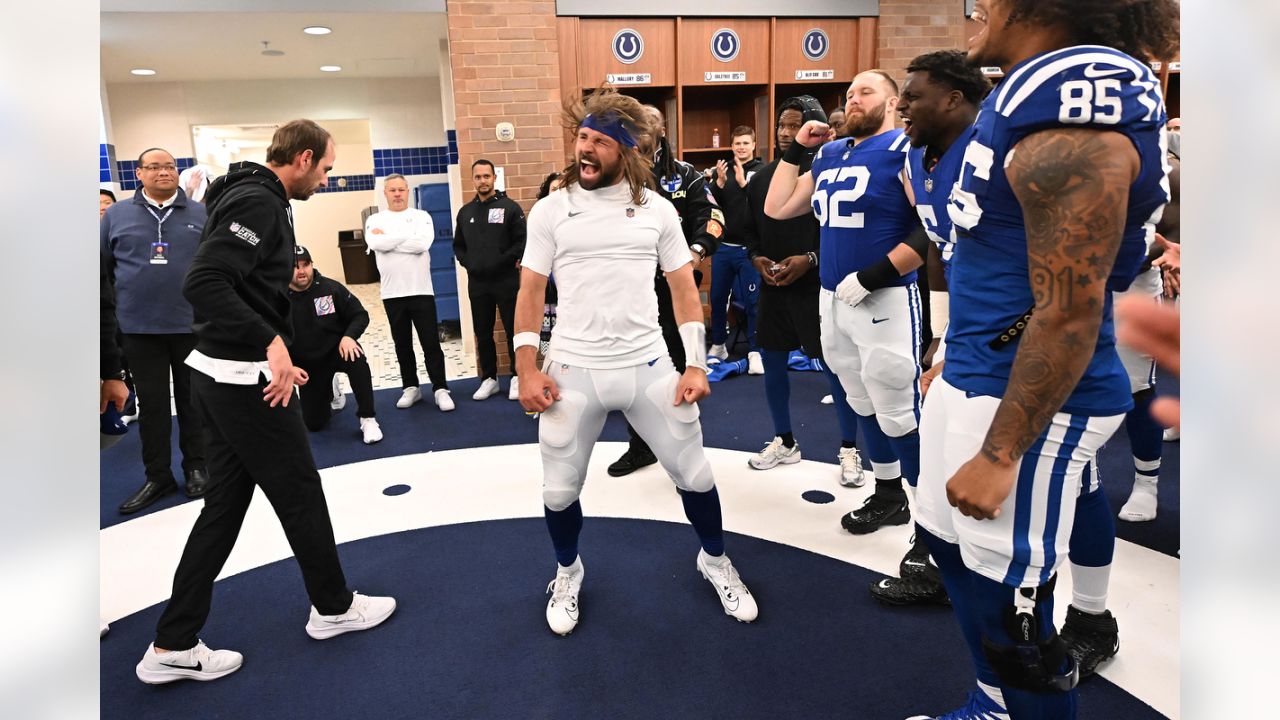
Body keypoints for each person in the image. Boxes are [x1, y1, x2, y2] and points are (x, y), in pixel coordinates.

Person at [904, 1, 1178, 718]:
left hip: (1027, 395)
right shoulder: (1029, 96)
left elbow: (1070, 308)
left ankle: (1012, 696)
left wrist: (1001, 452)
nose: (975, 9)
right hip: (977, 369)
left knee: (1012, 618)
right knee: (949, 547)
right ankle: (994, 706)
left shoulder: (1075, 113)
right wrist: (950, 351)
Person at [136, 120, 396, 685]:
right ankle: (333, 607)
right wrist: (270, 342)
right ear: (302, 158)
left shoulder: (252, 195)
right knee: (299, 490)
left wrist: (271, 348)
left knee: (225, 506)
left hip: (231, 370)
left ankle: (173, 642)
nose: (327, 180)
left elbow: (244, 285)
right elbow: (205, 282)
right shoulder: (256, 201)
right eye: (326, 169)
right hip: (240, 379)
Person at [515, 89, 757, 636]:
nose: (586, 149)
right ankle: (568, 571)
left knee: (695, 476)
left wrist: (695, 364)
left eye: (601, 141)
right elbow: (530, 292)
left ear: (627, 151)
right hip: (572, 368)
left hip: (647, 362)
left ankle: (715, 561)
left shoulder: (660, 211)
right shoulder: (552, 209)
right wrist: (527, 369)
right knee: (558, 491)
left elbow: (684, 289)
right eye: (582, 137)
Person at [765, 70, 931, 537]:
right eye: (849, 93)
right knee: (861, 401)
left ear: (895, 102)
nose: (853, 99)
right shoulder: (831, 152)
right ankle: (888, 493)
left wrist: (878, 273)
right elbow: (776, 207)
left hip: (886, 296)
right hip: (833, 298)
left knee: (898, 409)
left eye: (866, 92)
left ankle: (931, 529)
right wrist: (797, 149)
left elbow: (933, 226)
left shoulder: (906, 149)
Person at [868, 50, 988, 607]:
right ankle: (938, 565)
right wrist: (942, 339)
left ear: (954, 99)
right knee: (937, 458)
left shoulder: (998, 151)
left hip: (1022, 337)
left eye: (912, 96)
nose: (903, 106)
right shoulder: (920, 158)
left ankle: (1090, 615)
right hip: (968, 334)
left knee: (1061, 492)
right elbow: (941, 253)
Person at [740, 96, 865, 486]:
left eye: (794, 126)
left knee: (835, 370)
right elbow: (751, 237)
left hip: (818, 289)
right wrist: (758, 260)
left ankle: (849, 448)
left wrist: (809, 259)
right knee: (773, 365)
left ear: (817, 129)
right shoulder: (762, 179)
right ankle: (785, 440)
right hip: (774, 287)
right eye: (781, 125)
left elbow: (840, 235)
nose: (784, 133)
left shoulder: (831, 173)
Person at [606, 104, 724, 477]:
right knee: (631, 370)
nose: (641, 130)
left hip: (673, 291)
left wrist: (694, 253)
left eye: (649, 123)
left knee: (677, 367)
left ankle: (683, 449)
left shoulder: (685, 175)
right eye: (635, 124)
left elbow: (715, 218)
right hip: (628, 291)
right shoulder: (615, 175)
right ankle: (640, 446)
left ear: (661, 129)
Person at [101, 147, 210, 513]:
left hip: (190, 325)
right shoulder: (115, 215)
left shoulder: (201, 213)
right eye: (154, 167)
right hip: (137, 328)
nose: (163, 172)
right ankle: (158, 476)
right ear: (139, 174)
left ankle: (196, 466)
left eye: (169, 166)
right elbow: (102, 270)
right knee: (153, 407)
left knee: (193, 402)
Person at [365, 173, 454, 412]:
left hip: (421, 291)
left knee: (430, 344)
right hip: (392, 294)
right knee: (402, 345)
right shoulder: (375, 220)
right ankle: (411, 388)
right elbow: (375, 244)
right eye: (392, 190)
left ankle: (440, 388)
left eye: (401, 190)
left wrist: (390, 240)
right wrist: (405, 238)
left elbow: (422, 244)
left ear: (407, 191)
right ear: (385, 193)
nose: (397, 194)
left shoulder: (421, 216)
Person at [286, 245, 382, 444]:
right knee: (314, 424)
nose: (302, 271)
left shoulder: (330, 288)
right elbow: (274, 337)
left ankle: (367, 418)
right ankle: (331, 389)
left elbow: (359, 315)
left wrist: (349, 336)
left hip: (337, 351)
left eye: (306, 265)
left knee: (356, 357)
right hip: (307, 364)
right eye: (295, 266)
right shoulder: (278, 300)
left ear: (312, 265)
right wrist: (288, 366)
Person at [453, 159, 527, 401]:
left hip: (506, 281)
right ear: (472, 179)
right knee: (482, 332)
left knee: (512, 330)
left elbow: (520, 242)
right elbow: (459, 247)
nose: (482, 181)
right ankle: (489, 379)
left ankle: (517, 377)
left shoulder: (510, 208)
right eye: (478, 177)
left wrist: (502, 262)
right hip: (478, 283)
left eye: (487, 176)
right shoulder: (465, 213)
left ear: (494, 178)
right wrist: (470, 264)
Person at [707, 126, 764, 373]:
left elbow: (765, 204)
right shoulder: (724, 171)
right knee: (718, 298)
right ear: (731, 146)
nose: (741, 147)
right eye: (737, 143)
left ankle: (755, 351)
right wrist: (718, 184)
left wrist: (744, 185)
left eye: (745, 143)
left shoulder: (763, 172)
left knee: (754, 302)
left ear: (754, 145)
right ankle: (719, 343)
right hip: (724, 248)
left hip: (750, 250)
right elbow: (712, 207)